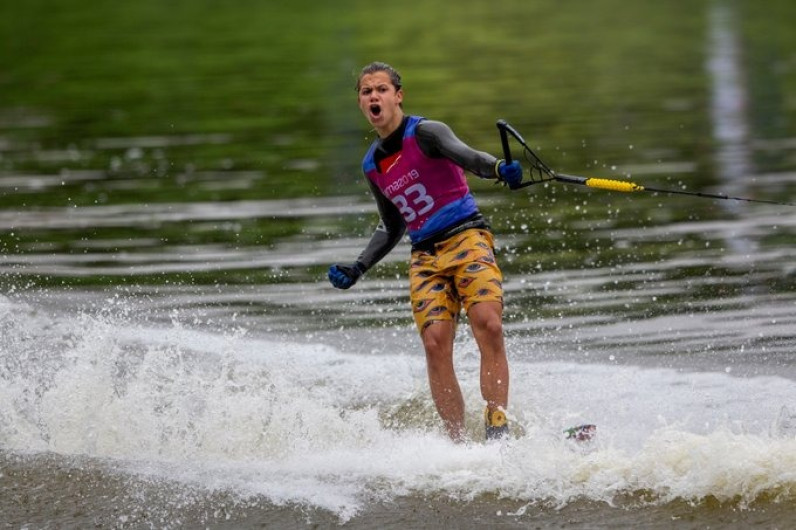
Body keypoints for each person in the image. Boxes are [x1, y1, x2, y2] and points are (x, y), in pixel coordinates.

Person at [328, 61, 523, 442]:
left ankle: (497, 427)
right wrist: (358, 266)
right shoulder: (371, 164)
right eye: (366, 92)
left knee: (489, 324)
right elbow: (392, 225)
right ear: (361, 103)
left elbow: (468, 156)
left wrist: (499, 168)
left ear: (397, 96)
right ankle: (456, 443)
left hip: (467, 236)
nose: (374, 96)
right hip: (425, 256)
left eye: (381, 89)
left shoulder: (427, 133)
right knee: (434, 344)